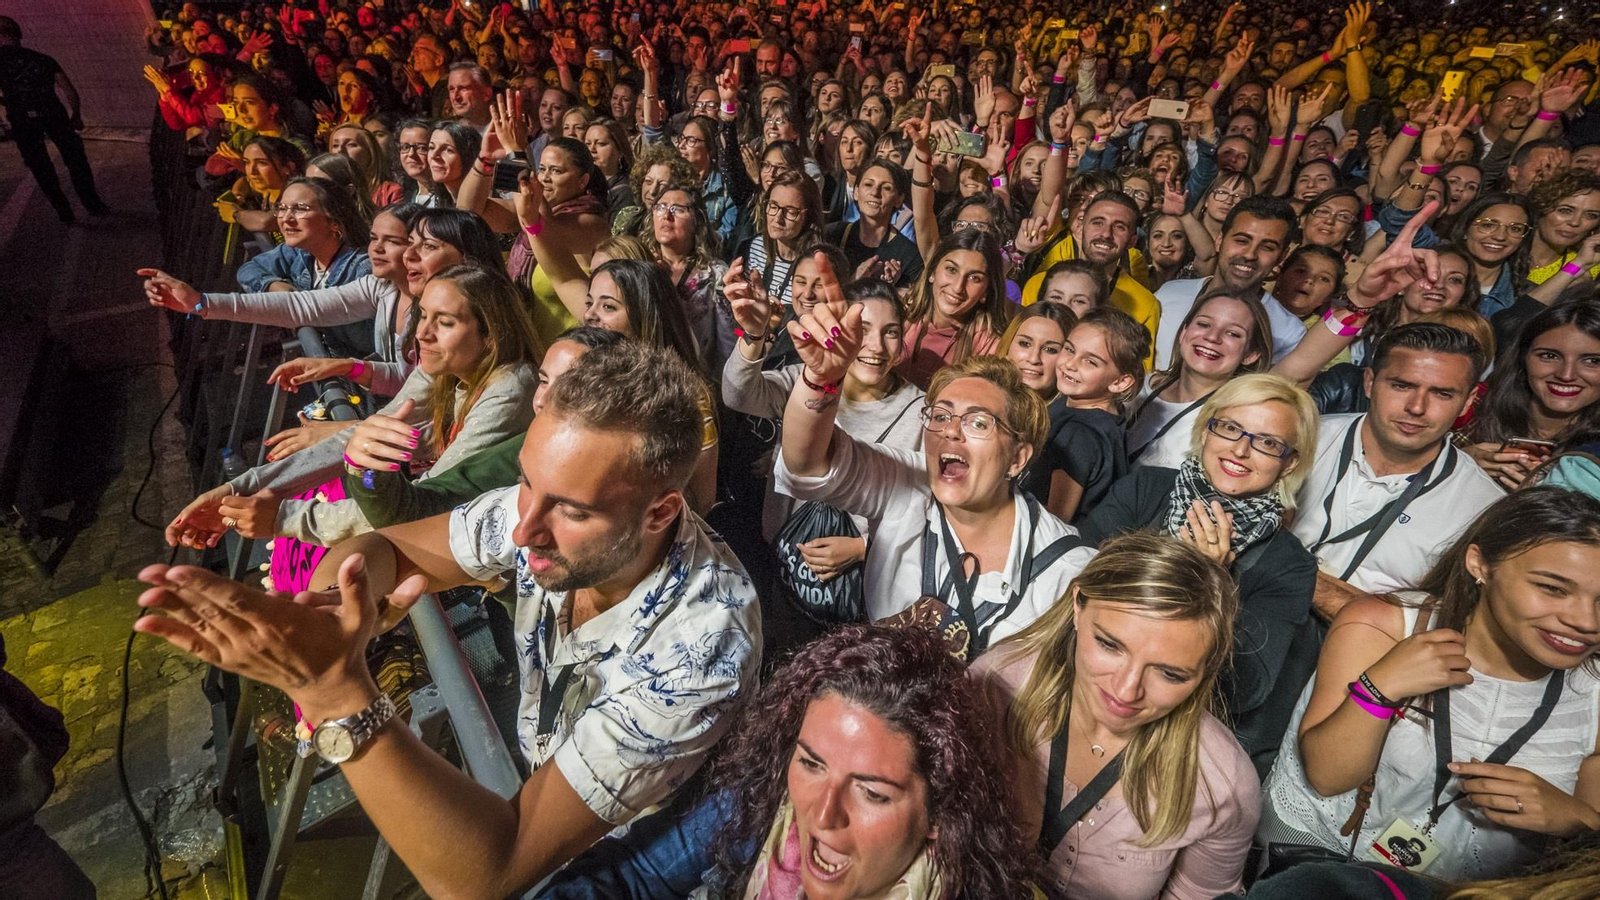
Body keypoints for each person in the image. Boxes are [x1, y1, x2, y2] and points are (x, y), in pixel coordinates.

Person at [134, 342, 761, 899]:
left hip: (620, 854)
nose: (522, 528)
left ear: (661, 513)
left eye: (570, 510)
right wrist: (336, 607)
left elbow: (486, 872)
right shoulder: (539, 513)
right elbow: (387, 549)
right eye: (525, 484)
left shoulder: (704, 645)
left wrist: (334, 687)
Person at [534, 625, 1038, 900]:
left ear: (939, 817)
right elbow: (637, 876)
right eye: (812, 763)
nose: (820, 816)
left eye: (873, 793)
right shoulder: (766, 799)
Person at [1260, 487, 1600, 882]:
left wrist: (1579, 821)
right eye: (1553, 589)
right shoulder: (1386, 626)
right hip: (1323, 862)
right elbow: (1327, 776)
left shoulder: (1591, 692)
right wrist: (1380, 687)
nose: (1586, 622)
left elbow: (1583, 866)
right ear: (1480, 565)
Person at [774, 258, 1095, 655]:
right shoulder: (906, 482)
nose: (950, 431)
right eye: (940, 416)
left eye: (978, 423)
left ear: (1018, 457)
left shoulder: (1065, 572)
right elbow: (807, 464)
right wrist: (822, 381)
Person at [166, 262, 541, 549]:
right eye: (422, 315)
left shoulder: (511, 387)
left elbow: (427, 499)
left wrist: (285, 517)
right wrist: (240, 490)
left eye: (443, 322)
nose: (423, 333)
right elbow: (366, 436)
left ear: (490, 336)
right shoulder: (442, 366)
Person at [973, 532, 1261, 900]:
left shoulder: (1224, 785)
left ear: (1207, 670)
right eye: (1110, 645)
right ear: (1078, 605)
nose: (1126, 692)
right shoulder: (992, 686)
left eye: (1170, 674)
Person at [1077, 374, 1321, 768]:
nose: (1241, 450)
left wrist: (1210, 585)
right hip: (1085, 688)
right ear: (1206, 429)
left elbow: (1246, 690)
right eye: (1229, 428)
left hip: (1167, 741)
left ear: (1289, 462)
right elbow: (1074, 581)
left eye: (1267, 442)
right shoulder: (1145, 489)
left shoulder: (1289, 565)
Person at [1289, 323, 1504, 619]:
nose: (1417, 407)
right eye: (1402, 385)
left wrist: (1288, 570)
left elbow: (1451, 624)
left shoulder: (1483, 507)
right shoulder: (1300, 439)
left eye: (1442, 393)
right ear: (1369, 383)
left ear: (1467, 402)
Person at [1023, 307, 1150, 523]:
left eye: (1090, 362)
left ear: (1120, 382)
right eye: (1070, 350)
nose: (1070, 364)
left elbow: (1054, 520)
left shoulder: (1081, 436)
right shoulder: (1075, 403)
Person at [1127, 291, 1274, 470]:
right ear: (1183, 332)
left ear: (1251, 355)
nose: (1212, 337)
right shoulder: (1136, 386)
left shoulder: (1231, 426)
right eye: (1204, 324)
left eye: (1233, 334)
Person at [1153, 195, 1301, 371]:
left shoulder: (1289, 333)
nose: (1249, 254)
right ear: (1219, 241)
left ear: (1281, 257)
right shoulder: (1169, 294)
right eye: (1241, 241)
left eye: (1267, 247)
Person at [1465, 299, 1600, 489]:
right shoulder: (1472, 405)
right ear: (1523, 357)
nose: (1566, 375)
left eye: (1592, 361)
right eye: (1549, 356)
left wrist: (1543, 500)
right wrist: (1458, 463)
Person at [0, 15, 107, 222]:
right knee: (75, 159)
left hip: (22, 119)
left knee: (41, 166)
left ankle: (63, 210)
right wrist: (75, 115)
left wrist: (8, 101)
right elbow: (69, 90)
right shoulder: (43, 59)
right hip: (53, 113)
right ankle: (92, 203)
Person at [895, 230, 1010, 388]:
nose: (958, 287)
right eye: (951, 270)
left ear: (986, 291)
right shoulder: (897, 316)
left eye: (974, 278)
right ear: (933, 272)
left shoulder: (991, 349)